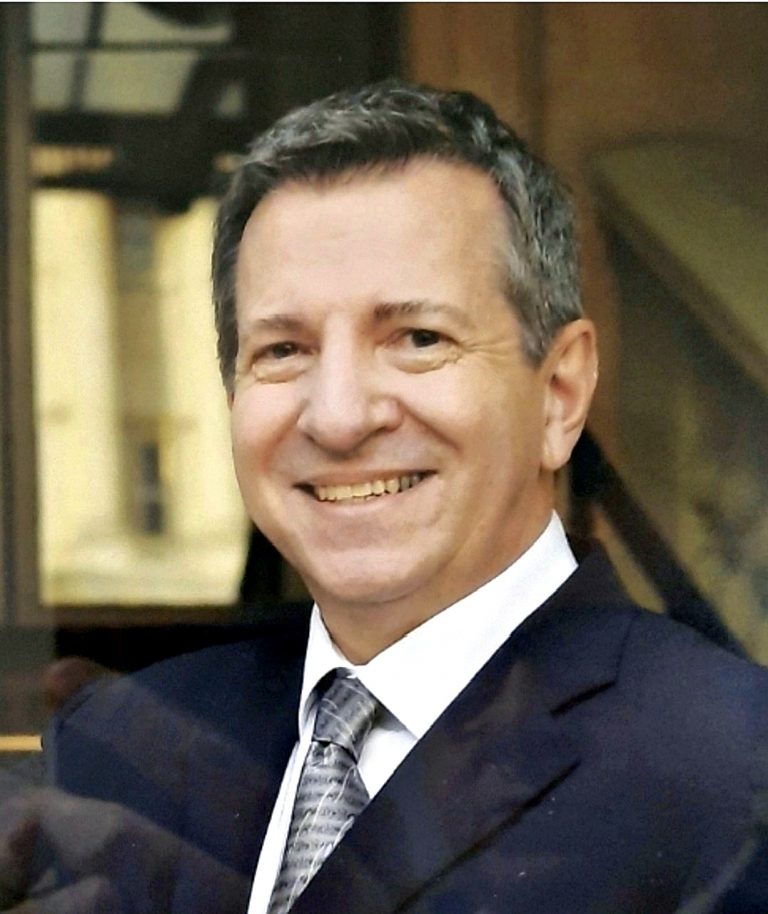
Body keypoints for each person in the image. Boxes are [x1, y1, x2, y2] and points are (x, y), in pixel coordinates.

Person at [4, 80, 768, 914]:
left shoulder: (734, 773)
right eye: (283, 350)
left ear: (559, 395)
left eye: (418, 338)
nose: (338, 417)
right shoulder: (113, 751)